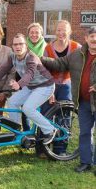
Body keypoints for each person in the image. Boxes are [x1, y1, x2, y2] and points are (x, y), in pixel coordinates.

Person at [41, 26, 96, 173]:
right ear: (86, 39)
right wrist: (39, 58)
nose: (94, 39)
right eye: (91, 36)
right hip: (83, 101)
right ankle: (86, 162)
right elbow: (59, 64)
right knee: (85, 132)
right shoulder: (77, 54)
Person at [0, 33, 57, 145]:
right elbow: (2, 69)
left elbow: (29, 73)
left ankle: (50, 130)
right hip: (31, 86)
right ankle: (16, 132)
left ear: (26, 46)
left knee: (28, 108)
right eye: (15, 44)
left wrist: (19, 84)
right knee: (12, 102)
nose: (18, 47)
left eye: (20, 44)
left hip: (45, 85)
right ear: (12, 46)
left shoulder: (31, 57)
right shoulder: (12, 56)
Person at [40, 20, 81, 156]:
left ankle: (60, 149)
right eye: (58, 30)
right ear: (54, 31)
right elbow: (44, 71)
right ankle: (42, 147)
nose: (61, 33)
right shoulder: (48, 48)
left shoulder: (76, 47)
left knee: (64, 116)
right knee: (45, 114)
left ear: (69, 32)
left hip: (66, 86)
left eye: (64, 30)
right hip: (49, 84)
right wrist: (50, 90)